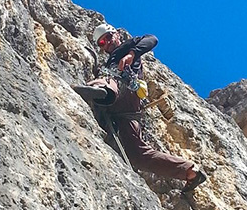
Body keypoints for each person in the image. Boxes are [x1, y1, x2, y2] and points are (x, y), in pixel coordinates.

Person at [73, 23, 207, 191]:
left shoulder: (128, 47)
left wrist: (131, 54)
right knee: (138, 156)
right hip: (126, 114)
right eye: (101, 43)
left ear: (116, 34)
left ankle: (102, 91)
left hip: (127, 91)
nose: (106, 43)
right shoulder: (108, 61)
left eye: (107, 37)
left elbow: (152, 39)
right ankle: (189, 171)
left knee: (111, 81)